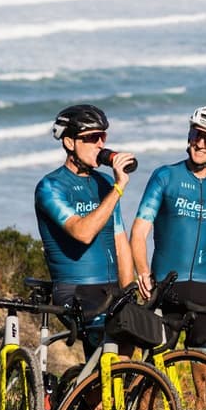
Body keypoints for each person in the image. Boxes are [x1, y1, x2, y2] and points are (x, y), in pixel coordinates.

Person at [129, 105, 206, 374]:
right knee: (151, 379)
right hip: (164, 290)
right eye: (196, 134)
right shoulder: (165, 176)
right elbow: (139, 232)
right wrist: (142, 272)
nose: (200, 143)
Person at [36, 103, 135, 352]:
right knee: (105, 353)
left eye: (103, 136)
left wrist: (129, 291)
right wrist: (119, 188)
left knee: (132, 348)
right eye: (92, 138)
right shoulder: (51, 186)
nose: (100, 144)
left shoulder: (105, 183)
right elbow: (82, 232)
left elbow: (120, 240)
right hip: (76, 290)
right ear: (70, 142)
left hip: (111, 288)